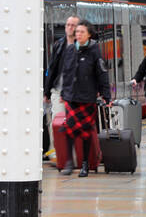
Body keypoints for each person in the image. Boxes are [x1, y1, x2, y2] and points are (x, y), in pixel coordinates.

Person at [44, 21, 109, 177]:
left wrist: (106, 95)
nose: (78, 34)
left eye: (81, 32)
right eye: (77, 32)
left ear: (88, 35)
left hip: (87, 98)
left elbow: (102, 73)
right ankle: (68, 162)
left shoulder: (94, 51)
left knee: (85, 132)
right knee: (69, 128)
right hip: (71, 98)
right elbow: (66, 73)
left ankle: (85, 164)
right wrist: (64, 94)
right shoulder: (71, 50)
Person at [44, 16, 79, 158]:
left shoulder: (83, 45)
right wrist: (47, 91)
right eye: (68, 25)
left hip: (76, 93)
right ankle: (58, 153)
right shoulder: (59, 45)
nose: (70, 27)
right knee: (57, 122)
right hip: (58, 91)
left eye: (73, 25)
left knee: (75, 123)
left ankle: (76, 153)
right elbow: (52, 68)